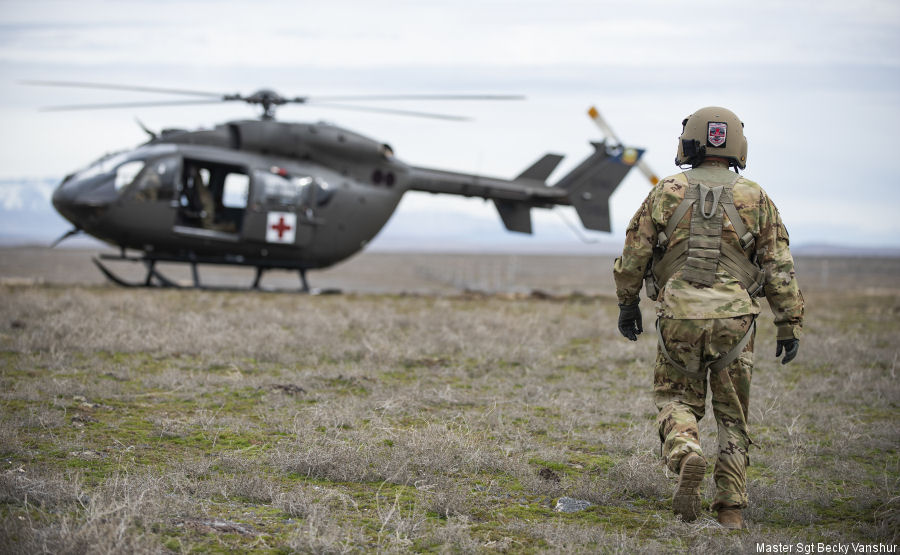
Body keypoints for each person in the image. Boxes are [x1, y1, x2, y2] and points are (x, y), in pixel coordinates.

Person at [613, 107, 804, 530]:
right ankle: (730, 509)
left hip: (679, 316)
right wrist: (789, 322)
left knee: (675, 399)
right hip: (735, 323)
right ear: (736, 144)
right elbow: (779, 265)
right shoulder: (756, 197)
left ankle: (686, 453)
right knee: (733, 416)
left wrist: (628, 304)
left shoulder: (666, 190)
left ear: (690, 142)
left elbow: (634, 254)